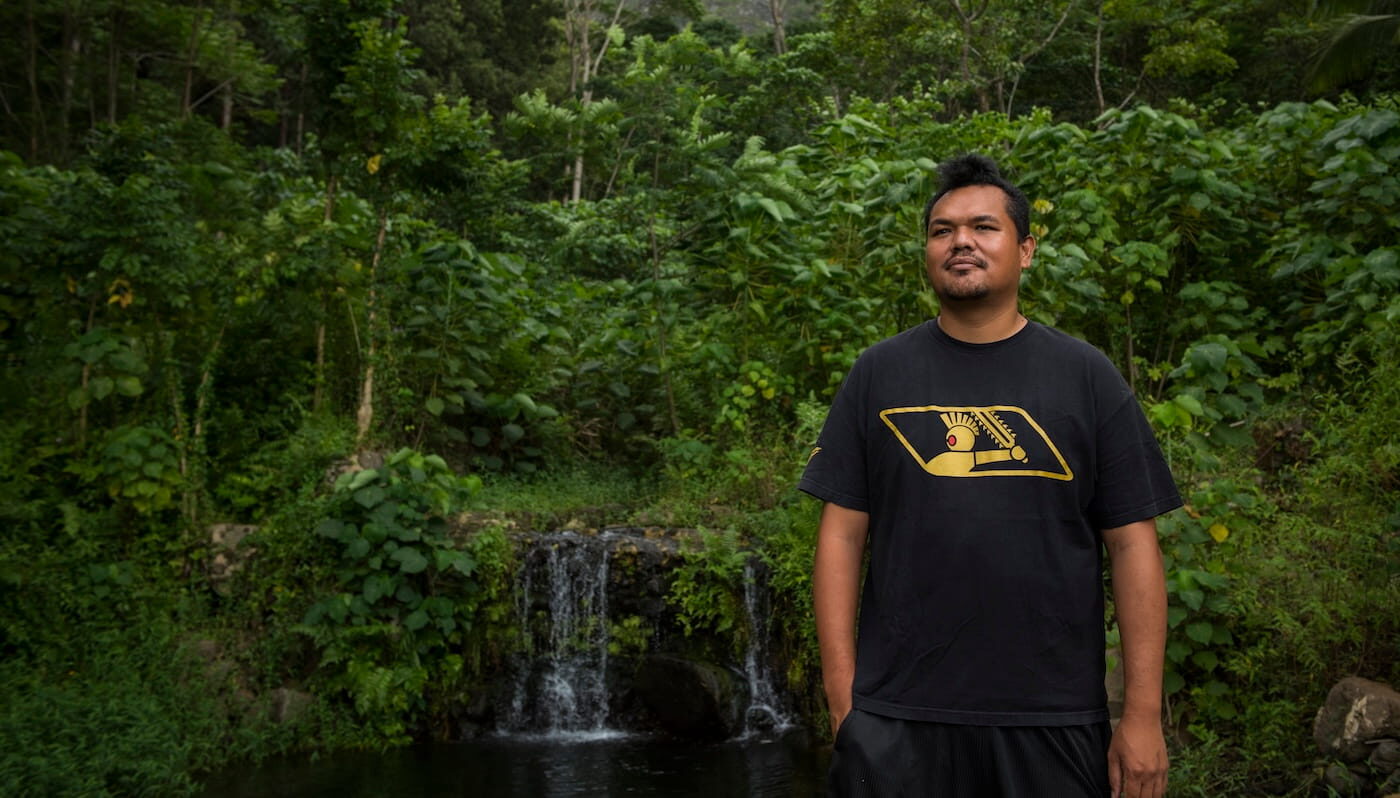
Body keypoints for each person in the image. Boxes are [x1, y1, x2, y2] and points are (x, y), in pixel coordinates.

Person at [801, 153, 1180, 798]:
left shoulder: (1087, 377)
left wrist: (1141, 716)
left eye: (984, 226)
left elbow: (1132, 543)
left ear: (1026, 250)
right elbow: (840, 538)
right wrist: (846, 707)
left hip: (1052, 717)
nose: (961, 242)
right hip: (897, 716)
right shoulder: (879, 374)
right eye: (942, 230)